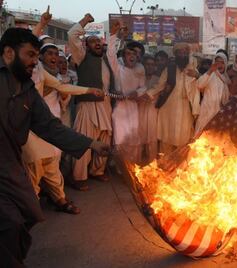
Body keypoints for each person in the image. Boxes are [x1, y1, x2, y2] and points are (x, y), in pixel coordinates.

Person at [0, 27, 110, 267]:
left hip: (9, 165)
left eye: (35, 56)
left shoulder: (28, 89)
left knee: (30, 212)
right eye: (30, 55)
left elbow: (51, 127)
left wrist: (91, 143)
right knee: (11, 222)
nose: (34, 61)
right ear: (8, 53)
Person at [68, 13, 115, 191]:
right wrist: (85, 21)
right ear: (86, 46)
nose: (97, 44)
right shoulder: (81, 57)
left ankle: (97, 170)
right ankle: (78, 177)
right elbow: (72, 36)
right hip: (87, 104)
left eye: (98, 41)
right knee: (84, 139)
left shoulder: (106, 60)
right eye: (93, 41)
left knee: (105, 138)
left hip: (105, 105)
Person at [141, 43, 200, 154]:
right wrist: (148, 94)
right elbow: (159, 85)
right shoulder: (170, 68)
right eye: (180, 52)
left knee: (183, 140)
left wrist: (197, 76)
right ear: (176, 55)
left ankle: (179, 168)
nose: (182, 55)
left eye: (184, 53)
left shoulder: (193, 69)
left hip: (186, 109)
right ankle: (164, 166)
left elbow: (201, 85)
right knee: (166, 139)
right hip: (169, 109)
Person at [108, 21, 145, 164]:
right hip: (120, 109)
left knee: (134, 141)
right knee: (120, 140)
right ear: (124, 55)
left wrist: (137, 93)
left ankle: (133, 168)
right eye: (128, 53)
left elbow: (143, 87)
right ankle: (121, 169)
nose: (131, 56)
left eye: (134, 54)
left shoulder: (140, 68)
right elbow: (110, 53)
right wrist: (113, 34)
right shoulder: (118, 67)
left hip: (134, 109)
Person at [195, 52, 230, 136]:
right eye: (217, 62)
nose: (220, 65)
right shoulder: (210, 75)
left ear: (225, 64)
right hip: (207, 112)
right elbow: (199, 85)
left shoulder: (226, 79)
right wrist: (210, 70)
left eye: (222, 62)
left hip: (219, 115)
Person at [139, 55, 160, 163]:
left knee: (152, 139)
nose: (150, 67)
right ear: (144, 65)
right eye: (147, 64)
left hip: (152, 112)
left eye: (152, 65)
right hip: (139, 112)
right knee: (139, 138)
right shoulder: (139, 78)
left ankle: (152, 164)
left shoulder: (158, 80)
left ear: (155, 67)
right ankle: (137, 165)